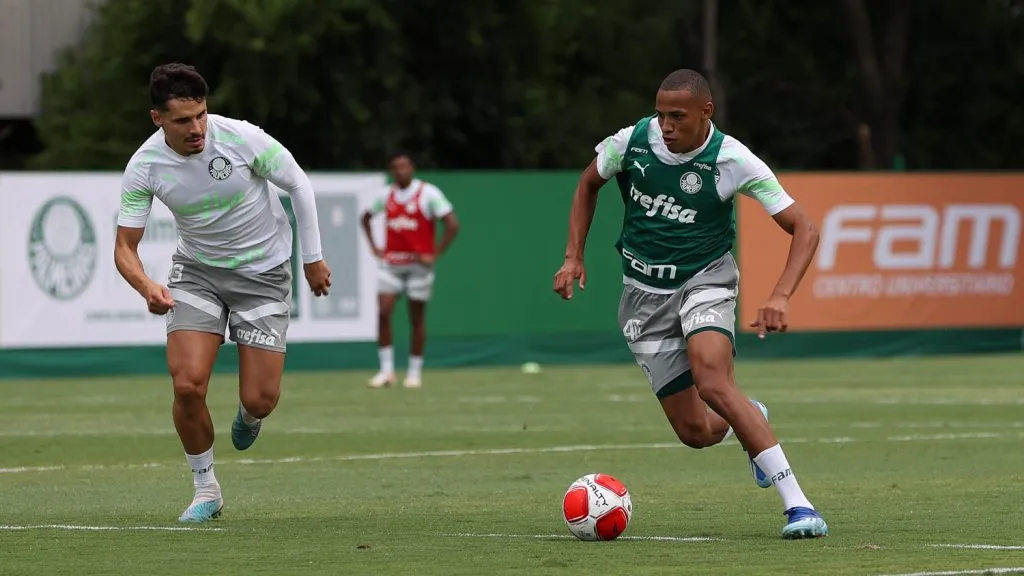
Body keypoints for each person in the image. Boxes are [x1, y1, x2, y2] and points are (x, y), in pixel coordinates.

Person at [552, 69, 828, 539]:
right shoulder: (631, 142)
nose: (665, 126)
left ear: (707, 113)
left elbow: (805, 226)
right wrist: (572, 255)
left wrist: (780, 294)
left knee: (713, 381)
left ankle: (799, 506)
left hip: (706, 280)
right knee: (696, 433)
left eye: (677, 116)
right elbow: (586, 185)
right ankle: (750, 417)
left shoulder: (733, 159)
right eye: (660, 114)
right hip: (643, 296)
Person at [114, 63, 332, 523]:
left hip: (264, 274)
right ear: (157, 118)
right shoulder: (144, 166)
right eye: (181, 120)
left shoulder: (240, 137)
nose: (196, 129)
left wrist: (312, 257)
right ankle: (206, 488)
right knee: (188, 385)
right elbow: (125, 248)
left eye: (201, 115)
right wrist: (147, 286)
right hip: (198, 273)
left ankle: (249, 416)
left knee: (260, 399)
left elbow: (298, 183)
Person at [360, 151, 460, 389]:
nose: (401, 170)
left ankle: (414, 372)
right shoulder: (386, 195)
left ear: (412, 168)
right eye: (396, 167)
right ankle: (386, 371)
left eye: (405, 166)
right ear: (391, 171)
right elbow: (365, 218)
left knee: (416, 318)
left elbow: (452, 224)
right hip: (391, 265)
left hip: (418, 266)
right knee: (384, 311)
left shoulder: (428, 193)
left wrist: (435, 254)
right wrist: (375, 247)